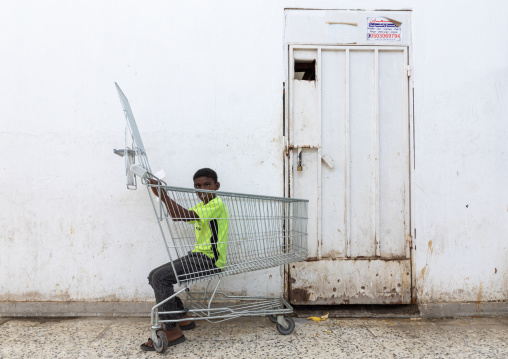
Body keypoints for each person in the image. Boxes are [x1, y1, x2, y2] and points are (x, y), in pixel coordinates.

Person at [140, 168, 229, 351]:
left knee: (160, 278)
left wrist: (164, 195)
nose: (202, 189)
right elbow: (178, 215)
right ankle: (181, 317)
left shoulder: (216, 204)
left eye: (207, 185)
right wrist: (160, 192)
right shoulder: (203, 206)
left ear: (216, 186)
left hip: (210, 260)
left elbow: (185, 216)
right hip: (197, 256)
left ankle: (172, 332)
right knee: (153, 275)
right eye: (197, 186)